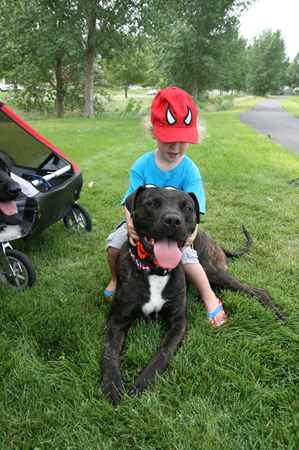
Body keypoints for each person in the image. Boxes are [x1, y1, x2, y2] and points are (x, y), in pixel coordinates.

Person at [104, 86, 226, 327]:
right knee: (114, 246)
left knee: (190, 260)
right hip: (145, 223)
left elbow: (196, 210)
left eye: (183, 141)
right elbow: (130, 200)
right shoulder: (142, 165)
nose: (175, 147)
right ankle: (115, 280)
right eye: (169, 139)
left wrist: (190, 236)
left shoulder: (189, 169)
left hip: (178, 227)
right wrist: (129, 224)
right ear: (153, 132)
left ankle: (209, 296)